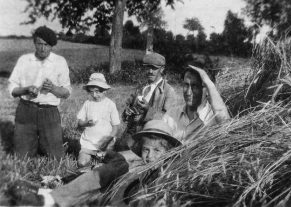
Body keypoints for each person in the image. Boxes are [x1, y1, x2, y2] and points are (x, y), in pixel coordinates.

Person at [7, 120, 181, 207]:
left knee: (116, 167)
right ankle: (47, 196)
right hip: (106, 194)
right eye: (146, 150)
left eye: (157, 151)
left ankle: (50, 197)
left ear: (168, 152)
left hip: (123, 201)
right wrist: (97, 154)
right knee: (116, 165)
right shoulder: (137, 163)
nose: (150, 156)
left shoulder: (169, 173)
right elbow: (118, 156)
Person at [8, 26, 72, 159]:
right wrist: (26, 89)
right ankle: (31, 143)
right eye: (39, 44)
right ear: (34, 43)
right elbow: (12, 89)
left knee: (56, 158)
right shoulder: (24, 60)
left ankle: (47, 143)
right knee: (21, 158)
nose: (43, 48)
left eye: (46, 45)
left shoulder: (60, 62)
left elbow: (66, 93)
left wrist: (53, 88)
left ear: (52, 46)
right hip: (26, 110)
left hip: (49, 112)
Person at [116, 52, 177, 151]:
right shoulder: (140, 88)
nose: (150, 71)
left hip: (150, 138)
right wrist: (127, 113)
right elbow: (126, 112)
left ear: (162, 69)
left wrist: (148, 109)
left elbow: (168, 121)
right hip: (131, 134)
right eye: (147, 68)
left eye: (154, 68)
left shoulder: (168, 91)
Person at [163, 65, 230, 142]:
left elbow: (227, 126)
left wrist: (209, 83)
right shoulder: (171, 114)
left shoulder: (213, 118)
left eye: (195, 86)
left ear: (207, 89)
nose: (188, 92)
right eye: (186, 85)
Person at [76, 73, 120, 167]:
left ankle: (101, 159)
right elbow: (80, 123)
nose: (95, 95)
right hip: (88, 142)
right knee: (82, 163)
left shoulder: (110, 104)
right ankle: (88, 157)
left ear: (105, 91)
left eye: (97, 91)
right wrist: (86, 123)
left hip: (105, 143)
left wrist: (107, 141)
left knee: (106, 166)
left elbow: (115, 127)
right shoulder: (88, 103)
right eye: (91, 92)